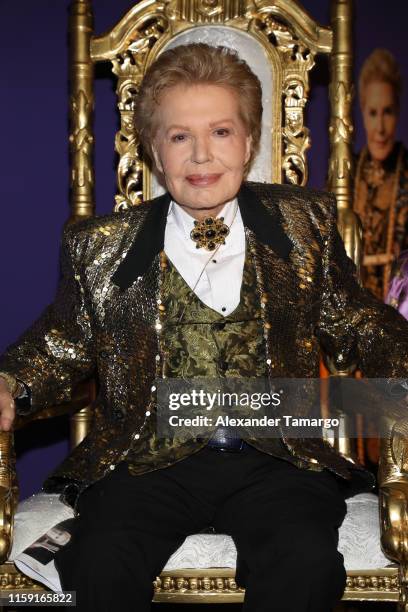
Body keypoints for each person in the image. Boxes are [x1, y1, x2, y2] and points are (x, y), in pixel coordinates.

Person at [0, 43, 408, 612]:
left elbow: (356, 319)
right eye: (179, 136)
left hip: (278, 458)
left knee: (304, 560)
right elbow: (60, 346)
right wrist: (10, 382)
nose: (200, 155)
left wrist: (401, 361)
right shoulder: (100, 247)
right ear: (155, 151)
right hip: (145, 460)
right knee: (100, 560)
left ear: (248, 141)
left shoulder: (305, 224)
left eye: (220, 132)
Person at [353, 48, 408, 302]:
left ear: (398, 113)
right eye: (373, 113)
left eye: (388, 112)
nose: (381, 128)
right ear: (362, 114)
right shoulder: (346, 174)